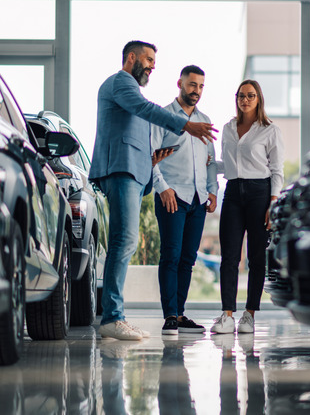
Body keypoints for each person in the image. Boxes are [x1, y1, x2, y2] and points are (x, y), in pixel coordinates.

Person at [90, 41, 217, 341]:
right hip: (120, 169)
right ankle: (112, 317)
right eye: (148, 59)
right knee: (124, 242)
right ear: (131, 57)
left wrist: (152, 162)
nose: (152, 66)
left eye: (154, 61)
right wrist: (185, 126)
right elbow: (144, 109)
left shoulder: (130, 89)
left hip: (133, 172)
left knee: (127, 243)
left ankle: (115, 315)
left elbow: (140, 139)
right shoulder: (121, 82)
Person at [211, 79, 284, 334]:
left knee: (255, 257)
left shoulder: (269, 130)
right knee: (229, 256)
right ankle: (227, 315)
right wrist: (208, 166)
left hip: (259, 194)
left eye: (251, 96)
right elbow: (228, 164)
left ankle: (249, 315)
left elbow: (277, 170)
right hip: (232, 192)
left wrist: (273, 203)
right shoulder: (228, 128)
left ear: (258, 99)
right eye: (241, 95)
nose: (245, 100)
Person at [152, 65, 218, 335]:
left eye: (201, 86)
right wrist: (163, 188)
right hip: (172, 197)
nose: (197, 91)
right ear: (180, 83)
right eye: (192, 85)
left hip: (198, 199)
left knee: (188, 259)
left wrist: (212, 190)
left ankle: (179, 314)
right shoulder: (163, 117)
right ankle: (169, 315)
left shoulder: (205, 119)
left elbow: (210, 161)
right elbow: (150, 155)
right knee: (171, 256)